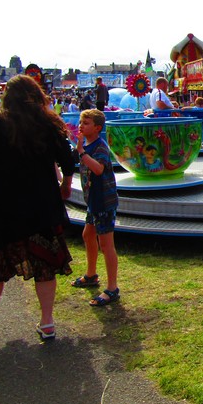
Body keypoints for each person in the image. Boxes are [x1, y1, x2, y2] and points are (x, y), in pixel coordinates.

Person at [0, 75, 75, 341]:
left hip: (1, 205)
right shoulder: (48, 124)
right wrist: (66, 185)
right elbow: (68, 160)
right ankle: (47, 322)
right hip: (41, 204)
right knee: (44, 264)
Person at [71, 109, 120, 306]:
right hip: (93, 201)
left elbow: (98, 169)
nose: (81, 126)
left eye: (86, 123)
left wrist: (81, 152)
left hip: (103, 202)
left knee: (106, 244)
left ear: (98, 128)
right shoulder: (87, 144)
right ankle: (91, 274)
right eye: (81, 122)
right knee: (88, 234)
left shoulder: (100, 146)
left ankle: (112, 288)